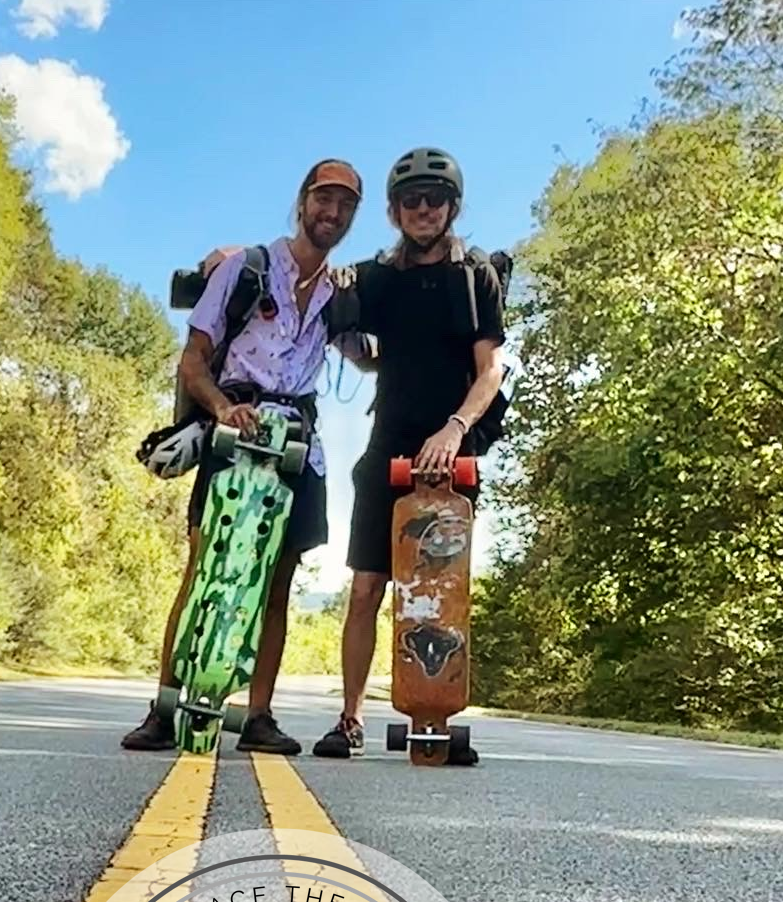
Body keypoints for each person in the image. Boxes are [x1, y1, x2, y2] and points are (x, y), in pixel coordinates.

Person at [122, 158, 363, 755]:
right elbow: (193, 359)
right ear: (303, 202)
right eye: (323, 199)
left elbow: (369, 357)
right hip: (235, 435)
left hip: (298, 448)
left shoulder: (340, 294)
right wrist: (222, 408)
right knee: (203, 567)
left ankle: (258, 716)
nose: (331, 212)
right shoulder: (246, 269)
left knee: (278, 581)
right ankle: (164, 708)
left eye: (345, 205)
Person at [311, 147, 507, 765]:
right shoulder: (375, 278)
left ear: (453, 207)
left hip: (452, 453)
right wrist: (349, 336)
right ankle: (350, 718)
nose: (424, 209)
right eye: (411, 200)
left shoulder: (475, 276)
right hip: (387, 447)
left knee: (443, 589)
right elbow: (332, 313)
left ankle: (435, 713)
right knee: (367, 586)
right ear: (395, 211)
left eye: (435, 199)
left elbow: (490, 371)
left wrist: (453, 430)